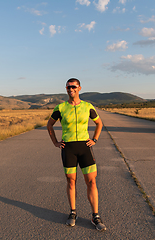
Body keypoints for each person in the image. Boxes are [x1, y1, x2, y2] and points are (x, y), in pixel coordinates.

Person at [46, 78, 106, 231]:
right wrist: (55, 142)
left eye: (73, 87)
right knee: (71, 181)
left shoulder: (87, 106)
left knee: (92, 182)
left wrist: (95, 139)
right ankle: (73, 213)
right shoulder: (60, 108)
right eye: (68, 87)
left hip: (85, 147)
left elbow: (99, 123)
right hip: (68, 148)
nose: (70, 89)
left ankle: (95, 216)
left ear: (79, 88)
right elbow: (49, 125)